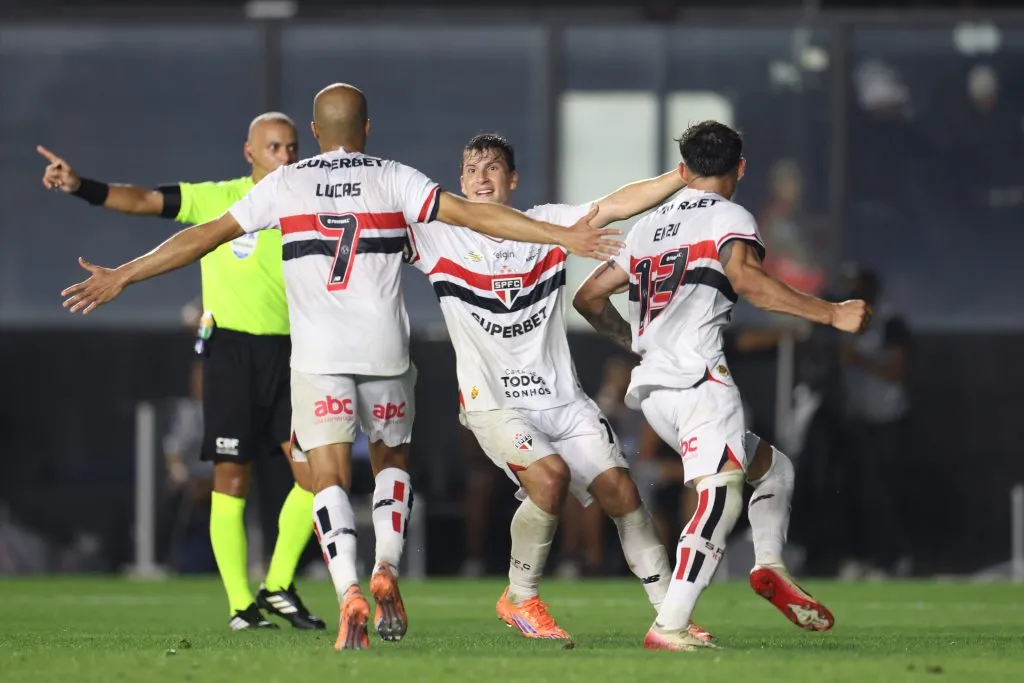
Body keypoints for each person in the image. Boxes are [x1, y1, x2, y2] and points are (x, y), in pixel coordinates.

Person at [59, 83, 619, 651]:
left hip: (317, 358)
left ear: (317, 133)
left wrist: (122, 276)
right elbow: (477, 217)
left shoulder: (285, 183)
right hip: (383, 353)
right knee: (391, 460)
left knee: (326, 477)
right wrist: (560, 235)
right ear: (367, 130)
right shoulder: (394, 176)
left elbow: (203, 237)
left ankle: (349, 587)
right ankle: (387, 568)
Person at [573, 120, 871, 651]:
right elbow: (749, 282)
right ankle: (670, 624)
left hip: (657, 393)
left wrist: (633, 341)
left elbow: (590, 296)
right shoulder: (731, 215)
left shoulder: (649, 224)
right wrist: (832, 313)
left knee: (773, 469)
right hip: (700, 380)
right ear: (740, 169)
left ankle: (769, 565)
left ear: (683, 171)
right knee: (722, 496)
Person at [405, 132, 697, 641]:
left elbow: (617, 203)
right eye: (471, 169)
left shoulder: (551, 223)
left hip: (562, 399)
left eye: (492, 167)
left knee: (622, 492)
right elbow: (369, 228)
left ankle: (672, 619)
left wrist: (681, 176)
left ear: (512, 179)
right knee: (550, 478)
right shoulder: (438, 235)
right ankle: (520, 597)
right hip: (493, 403)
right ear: (459, 180)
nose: (480, 177)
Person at [38, 114, 324, 631]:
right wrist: (82, 187)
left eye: (292, 147)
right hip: (231, 353)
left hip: (294, 355)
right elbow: (145, 199)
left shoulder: (312, 201)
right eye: (274, 146)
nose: (286, 156)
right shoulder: (220, 198)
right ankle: (241, 604)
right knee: (232, 476)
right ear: (250, 153)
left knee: (316, 474)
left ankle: (279, 582)